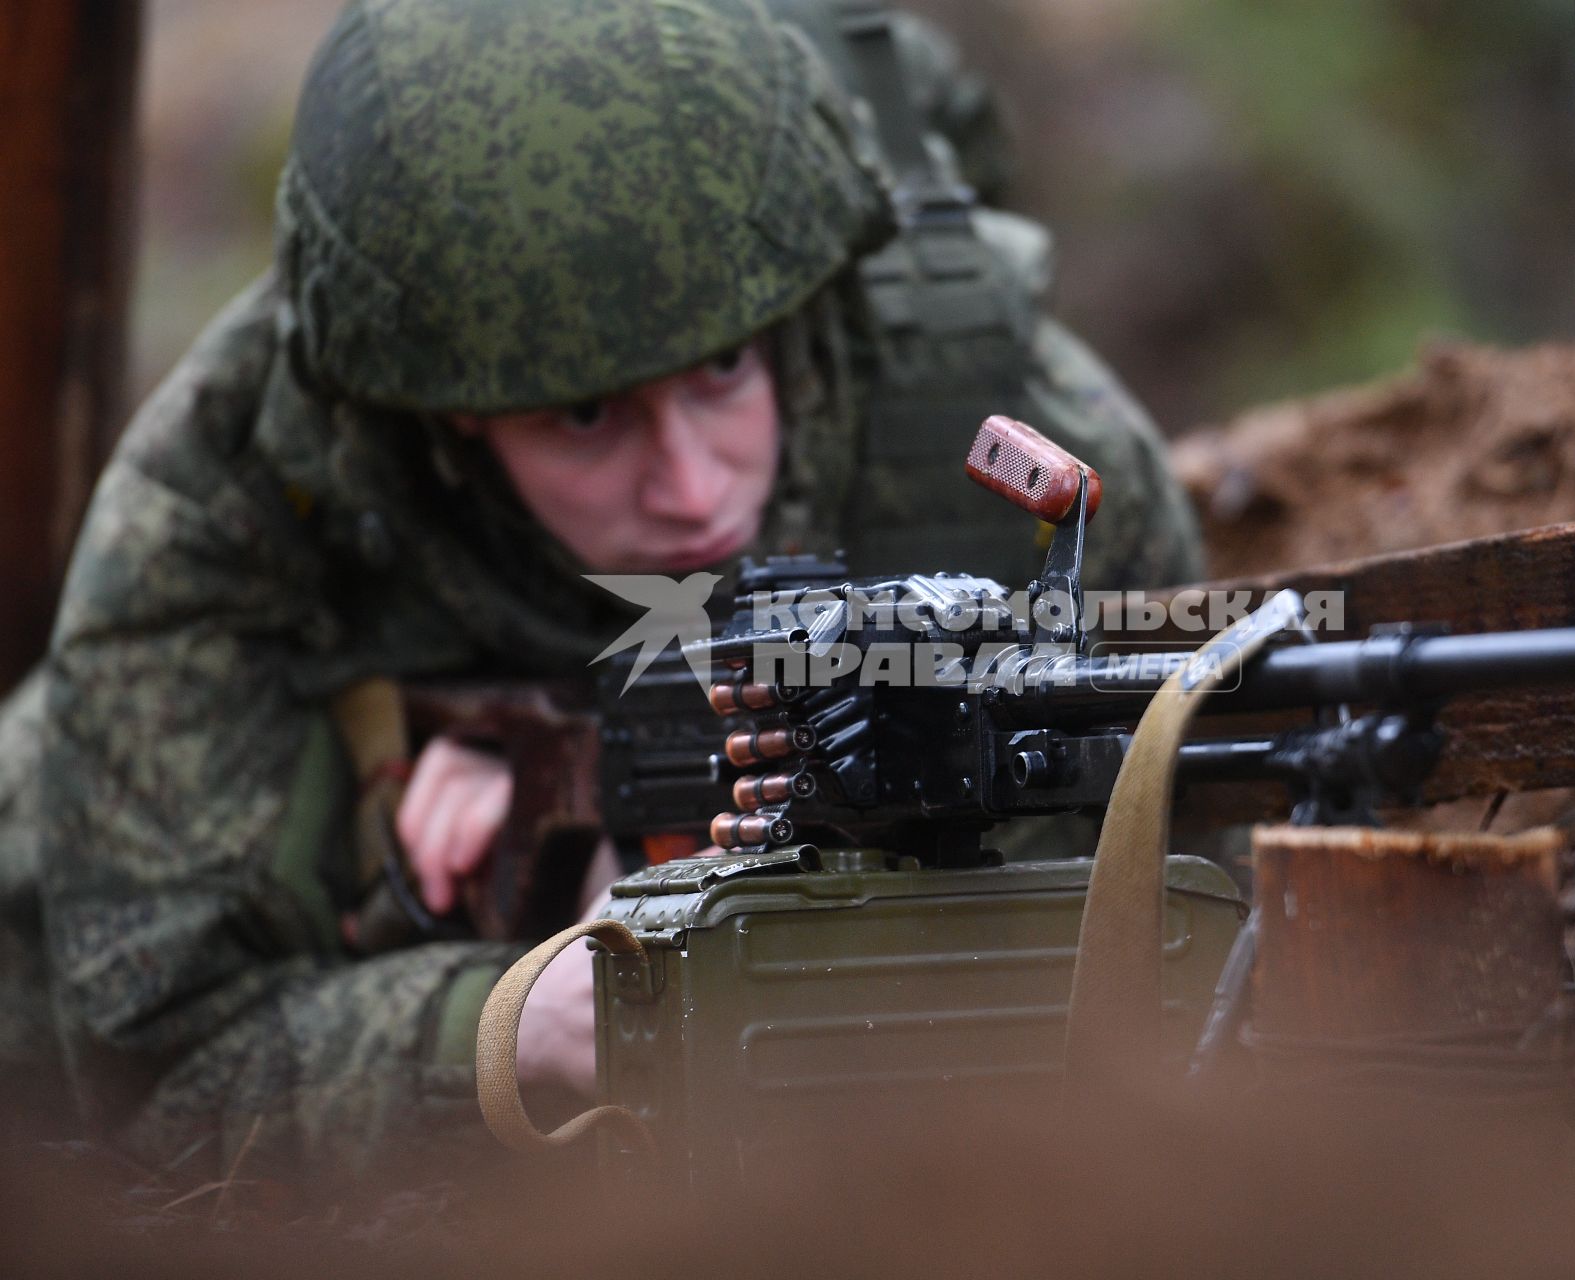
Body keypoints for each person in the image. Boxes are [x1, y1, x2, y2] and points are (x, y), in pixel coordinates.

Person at [3, 0, 1202, 1175]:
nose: (691, 486)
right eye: (584, 414)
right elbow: (159, 1074)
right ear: (451, 416)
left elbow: (1196, 922)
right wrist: (518, 1020)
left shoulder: (1009, 428)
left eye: (726, 365)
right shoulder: (221, 511)